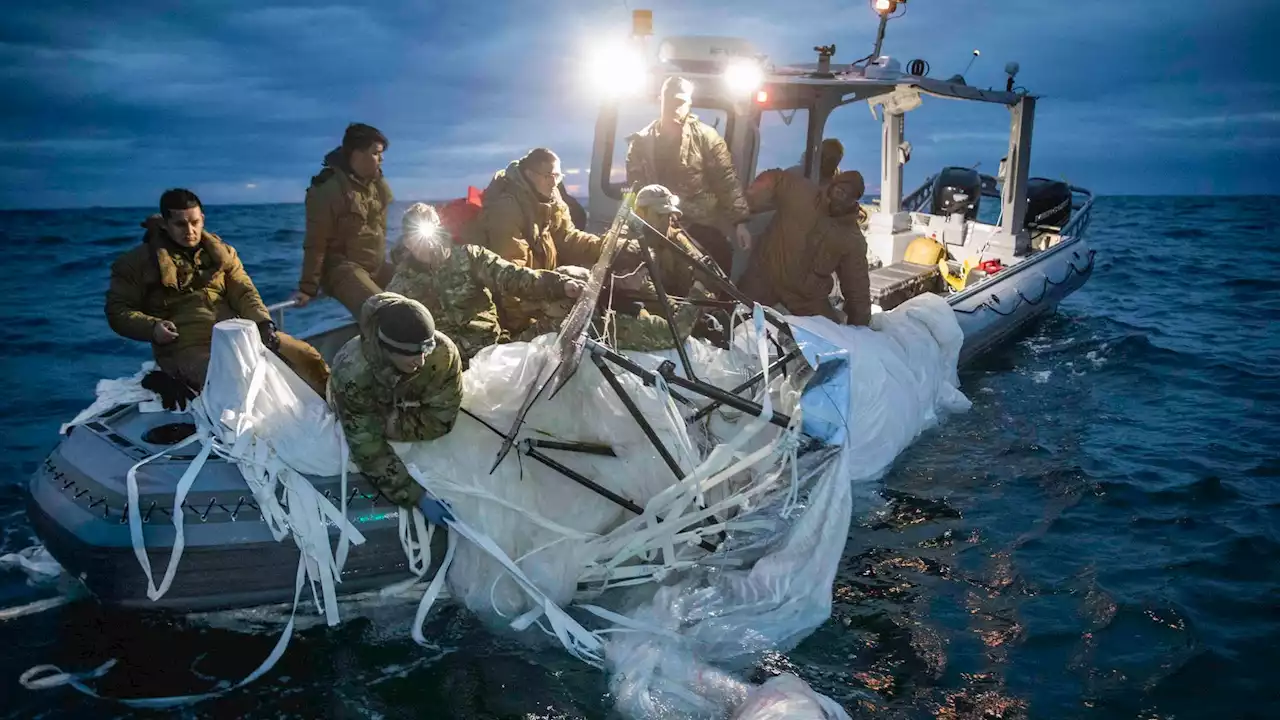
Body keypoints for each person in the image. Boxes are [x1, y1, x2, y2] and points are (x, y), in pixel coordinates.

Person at [104, 189, 331, 406]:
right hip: (183, 345)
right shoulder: (136, 263)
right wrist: (152, 328)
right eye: (180, 224)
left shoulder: (223, 254)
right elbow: (118, 310)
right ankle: (164, 379)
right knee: (233, 382)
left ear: (202, 218)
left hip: (236, 333)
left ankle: (338, 408)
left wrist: (264, 324)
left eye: (195, 222)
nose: (190, 230)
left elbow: (244, 291)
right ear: (165, 224)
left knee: (305, 356)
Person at [385, 203, 586, 366]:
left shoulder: (470, 257)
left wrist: (560, 284)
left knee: (566, 313)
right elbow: (389, 329)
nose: (427, 243)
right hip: (447, 369)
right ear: (407, 243)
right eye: (416, 236)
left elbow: (513, 277)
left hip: (493, 352)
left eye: (430, 232)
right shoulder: (401, 285)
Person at [327, 292, 463, 522]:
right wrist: (416, 496)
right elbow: (368, 448)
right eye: (410, 355)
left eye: (424, 351)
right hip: (359, 403)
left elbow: (442, 419)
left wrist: (391, 420)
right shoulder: (352, 374)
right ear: (387, 349)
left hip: (394, 406)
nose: (420, 362)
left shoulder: (442, 353)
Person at [624, 76, 752, 277]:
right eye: (671, 101)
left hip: (699, 223)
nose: (676, 107)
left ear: (689, 104)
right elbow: (636, 189)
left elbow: (726, 179)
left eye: (681, 102)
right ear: (661, 100)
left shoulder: (706, 138)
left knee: (717, 264)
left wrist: (740, 223)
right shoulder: (641, 143)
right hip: (656, 225)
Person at [473, 147, 605, 337]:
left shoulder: (550, 200)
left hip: (540, 288)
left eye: (558, 176)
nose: (554, 183)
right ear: (529, 174)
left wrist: (604, 247)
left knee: (585, 284)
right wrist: (524, 329)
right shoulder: (505, 209)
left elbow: (567, 237)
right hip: (516, 308)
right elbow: (510, 278)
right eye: (548, 176)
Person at [737, 169, 872, 326]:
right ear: (832, 185)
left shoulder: (852, 238)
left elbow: (857, 287)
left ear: (855, 201)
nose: (842, 197)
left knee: (833, 340)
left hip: (805, 297)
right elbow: (774, 178)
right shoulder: (801, 191)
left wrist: (860, 327)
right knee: (731, 314)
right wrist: (745, 209)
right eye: (840, 190)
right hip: (765, 275)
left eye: (849, 196)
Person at [291, 123, 395, 317]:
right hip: (342, 270)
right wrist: (307, 288)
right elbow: (316, 242)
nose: (381, 159)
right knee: (385, 313)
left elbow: (380, 228)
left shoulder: (376, 185)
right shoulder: (327, 189)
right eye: (376, 153)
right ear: (356, 153)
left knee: (420, 292)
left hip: (375, 266)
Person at [528, 265, 711, 353]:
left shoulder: (538, 328)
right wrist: (699, 289)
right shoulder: (601, 325)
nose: (644, 278)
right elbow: (673, 334)